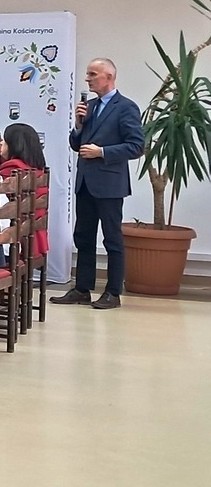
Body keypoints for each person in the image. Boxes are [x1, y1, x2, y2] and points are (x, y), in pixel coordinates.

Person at [53, 58, 144, 310]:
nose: (87, 79)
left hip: (110, 184)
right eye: (88, 74)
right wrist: (78, 126)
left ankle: (113, 292)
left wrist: (102, 152)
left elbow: (136, 146)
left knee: (112, 239)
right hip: (85, 183)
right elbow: (77, 145)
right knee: (83, 236)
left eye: (93, 74)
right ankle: (82, 289)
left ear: (109, 77)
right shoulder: (89, 106)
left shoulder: (126, 107)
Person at [0, 123, 50, 260]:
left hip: (18, 240)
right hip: (36, 238)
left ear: (14, 145)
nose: (1, 143)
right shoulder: (37, 170)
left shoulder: (12, 170)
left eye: (5, 140)